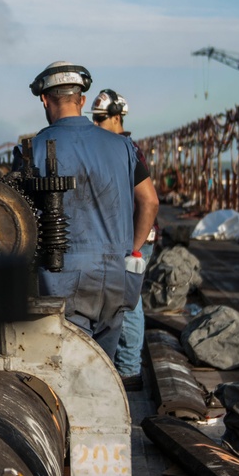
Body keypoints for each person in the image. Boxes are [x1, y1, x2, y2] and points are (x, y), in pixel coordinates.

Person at [25, 62, 159, 363]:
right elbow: (150, 201)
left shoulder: (33, 149)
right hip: (115, 276)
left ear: (45, 100)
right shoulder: (125, 148)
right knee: (104, 373)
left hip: (61, 281)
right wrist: (132, 249)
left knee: (72, 377)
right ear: (82, 100)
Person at [91, 88, 159, 390]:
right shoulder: (114, 148)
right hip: (126, 238)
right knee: (124, 302)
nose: (96, 124)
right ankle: (123, 365)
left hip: (137, 238)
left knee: (130, 305)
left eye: (101, 119)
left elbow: (149, 202)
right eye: (94, 118)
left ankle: (129, 371)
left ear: (117, 117)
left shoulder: (126, 149)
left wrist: (134, 246)